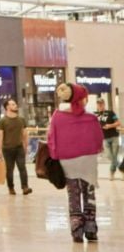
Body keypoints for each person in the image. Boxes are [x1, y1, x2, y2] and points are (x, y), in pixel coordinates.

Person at [49, 84, 103, 242]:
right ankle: (91, 228)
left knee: (73, 194)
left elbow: (52, 138)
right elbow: (98, 141)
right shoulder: (91, 118)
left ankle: (76, 230)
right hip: (88, 162)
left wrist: (56, 155)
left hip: (67, 162)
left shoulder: (57, 117)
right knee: (89, 193)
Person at [0, 98, 32, 195]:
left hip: (19, 147)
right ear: (7, 107)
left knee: (22, 167)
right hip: (7, 149)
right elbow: (0, 136)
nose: (15, 105)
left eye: (15, 104)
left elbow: (25, 134)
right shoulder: (2, 121)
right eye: (12, 104)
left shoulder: (21, 120)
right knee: (9, 170)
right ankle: (11, 188)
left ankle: (25, 187)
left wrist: (26, 146)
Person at [95, 98, 120, 179]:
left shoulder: (110, 112)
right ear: (97, 105)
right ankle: (122, 167)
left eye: (101, 104)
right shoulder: (95, 115)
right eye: (98, 104)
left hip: (114, 136)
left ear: (104, 104)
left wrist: (110, 126)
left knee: (114, 156)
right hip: (104, 138)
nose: (100, 105)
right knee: (110, 156)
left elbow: (118, 122)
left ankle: (111, 173)